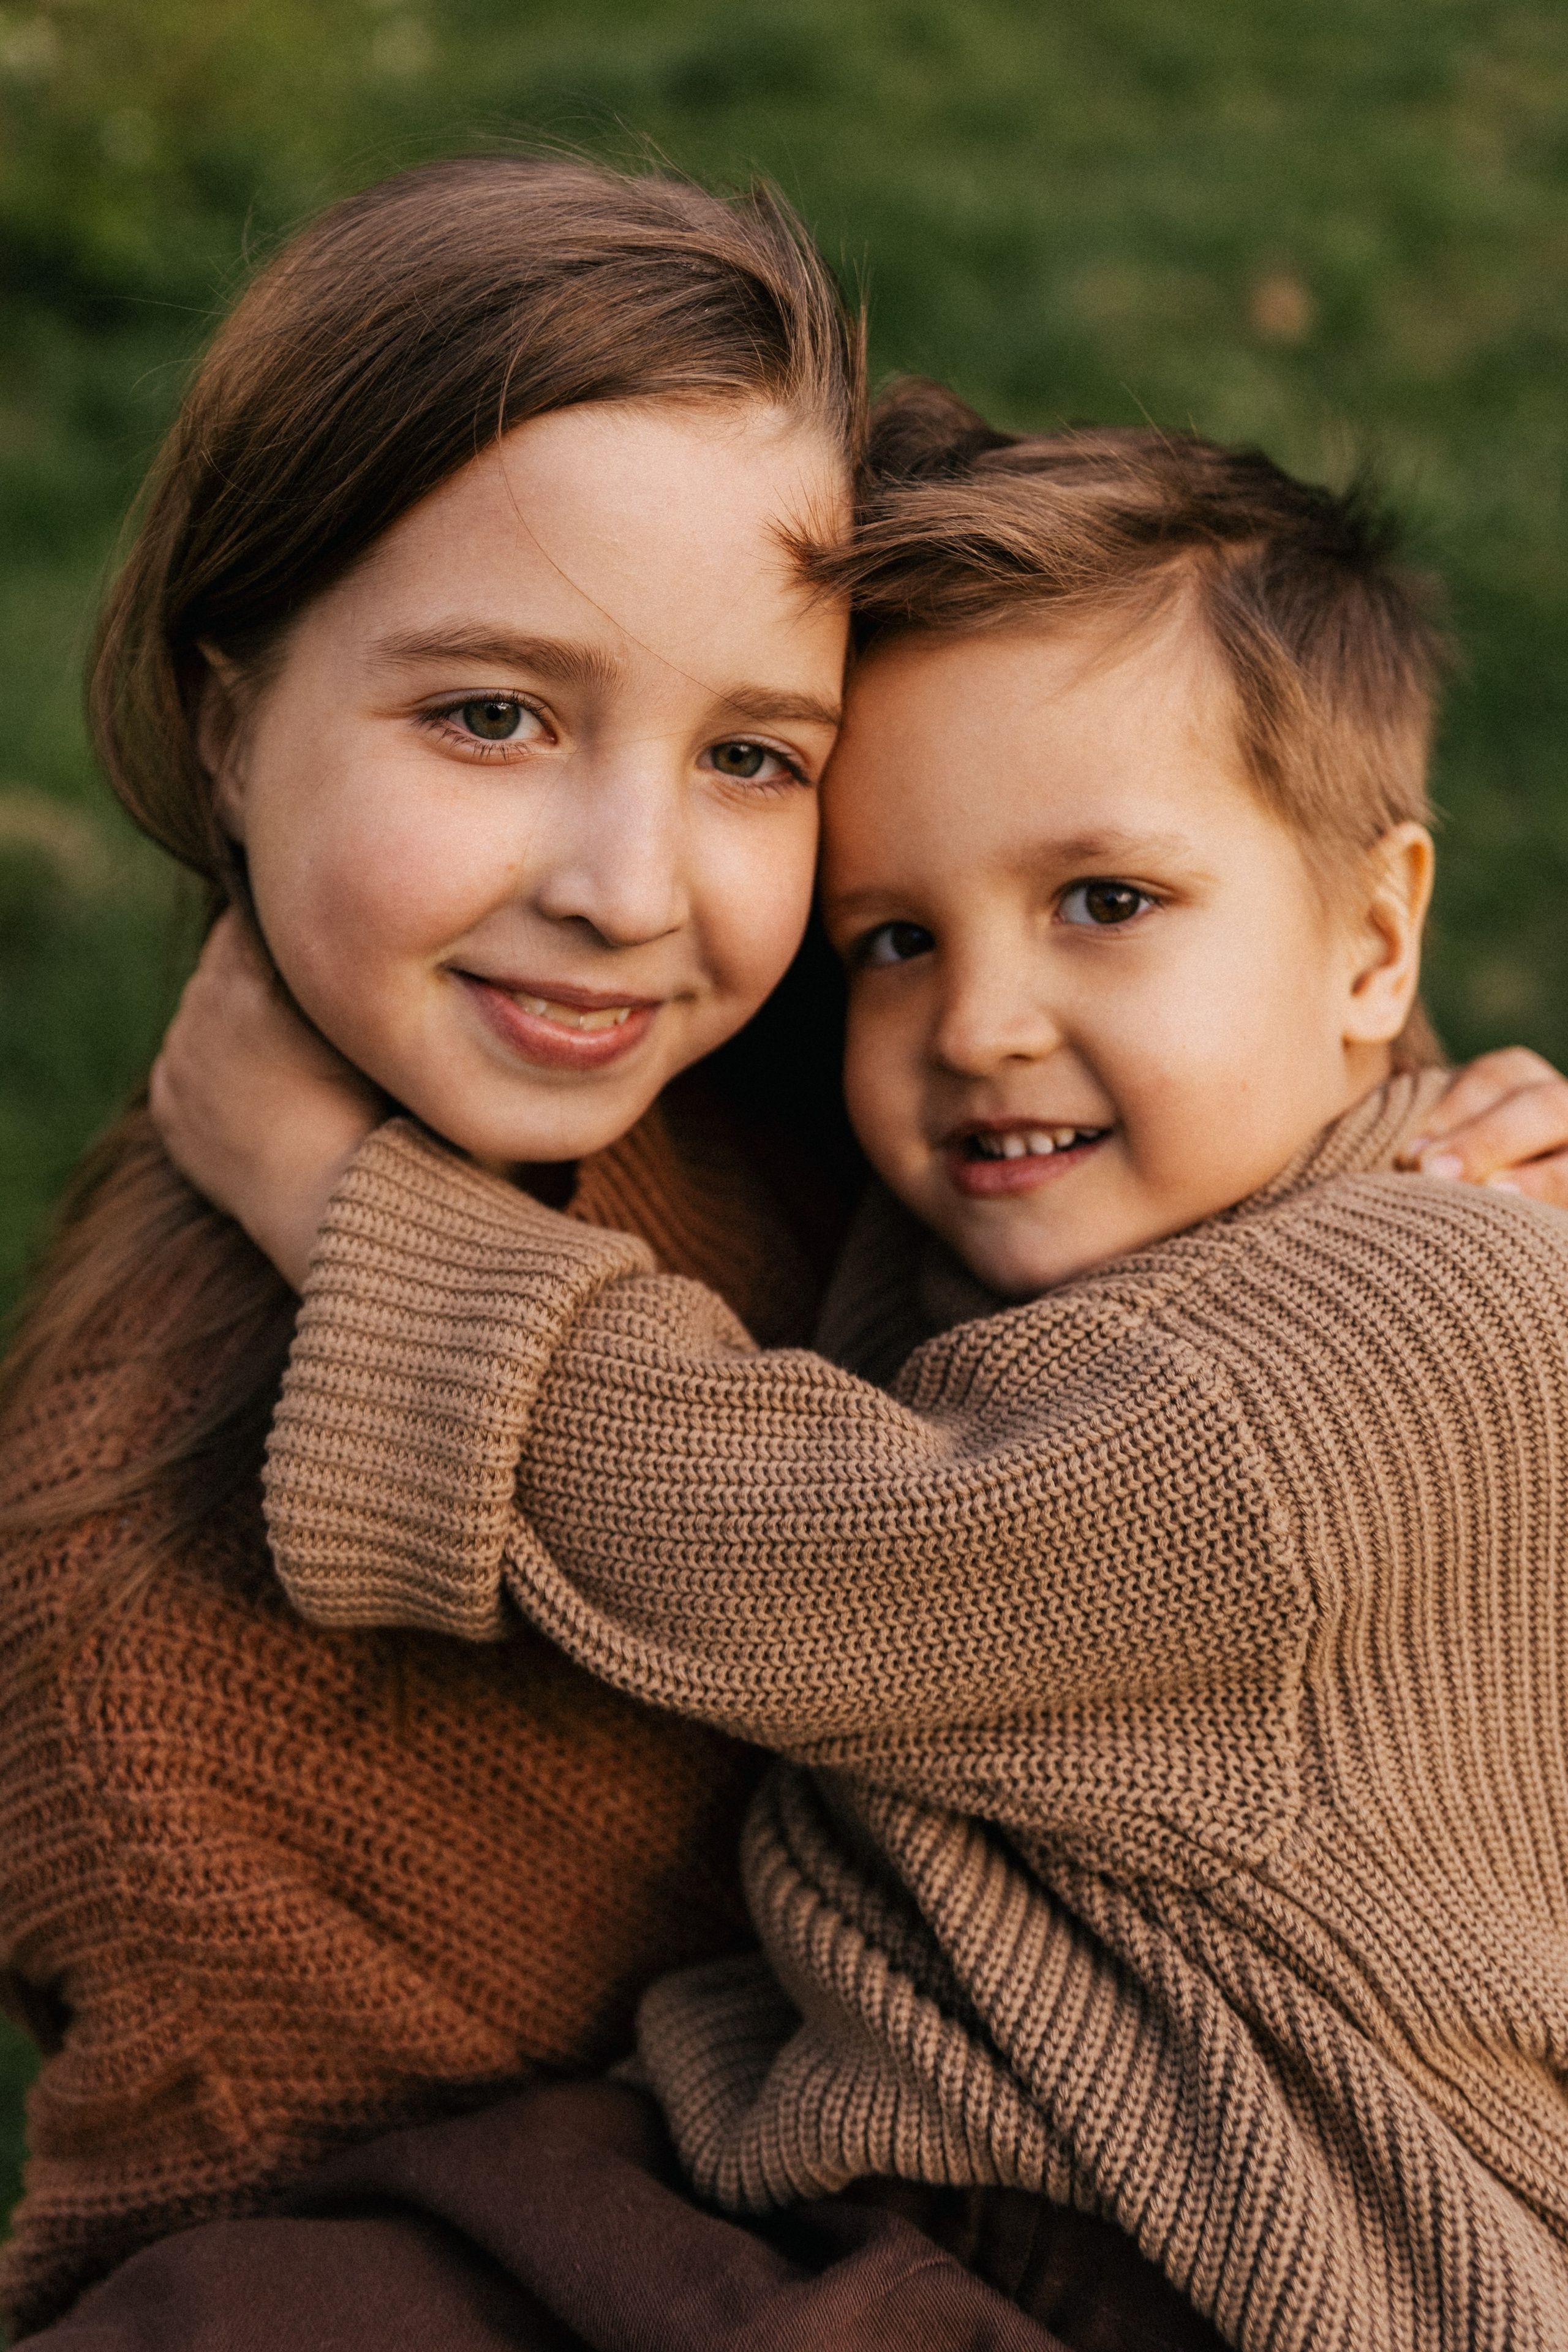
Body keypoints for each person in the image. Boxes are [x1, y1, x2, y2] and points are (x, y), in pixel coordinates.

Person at [152, 405, 1568, 2351]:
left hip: (1199, 2262)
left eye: (1105, 903)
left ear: (1378, 936)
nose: (977, 1023)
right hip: (911, 2174)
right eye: (889, 941)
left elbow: (805, 1535)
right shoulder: (1253, 1206)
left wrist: (323, 1187)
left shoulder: (1426, 1306)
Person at [0, 148, 869, 2339]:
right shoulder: (151, 1656)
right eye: (491, 714)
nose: (629, 883)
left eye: (755, 751)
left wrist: (1383, 1124)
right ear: (226, 723)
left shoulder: (840, 1055)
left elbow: (1151, 773)